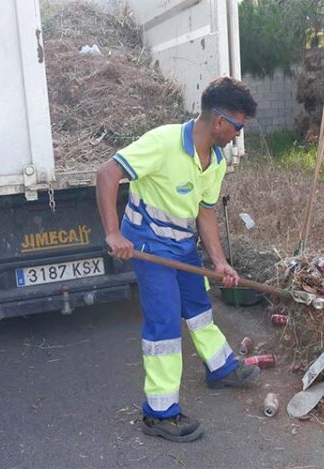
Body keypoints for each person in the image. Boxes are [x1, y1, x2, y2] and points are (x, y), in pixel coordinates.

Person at [95, 77, 259, 442]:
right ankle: (159, 413)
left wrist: (219, 261)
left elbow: (205, 214)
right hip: (149, 247)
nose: (238, 134)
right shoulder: (163, 142)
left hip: (182, 245)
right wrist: (112, 233)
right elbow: (107, 174)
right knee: (165, 324)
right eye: (238, 126)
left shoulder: (215, 161)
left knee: (199, 307)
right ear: (219, 121)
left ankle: (220, 367)